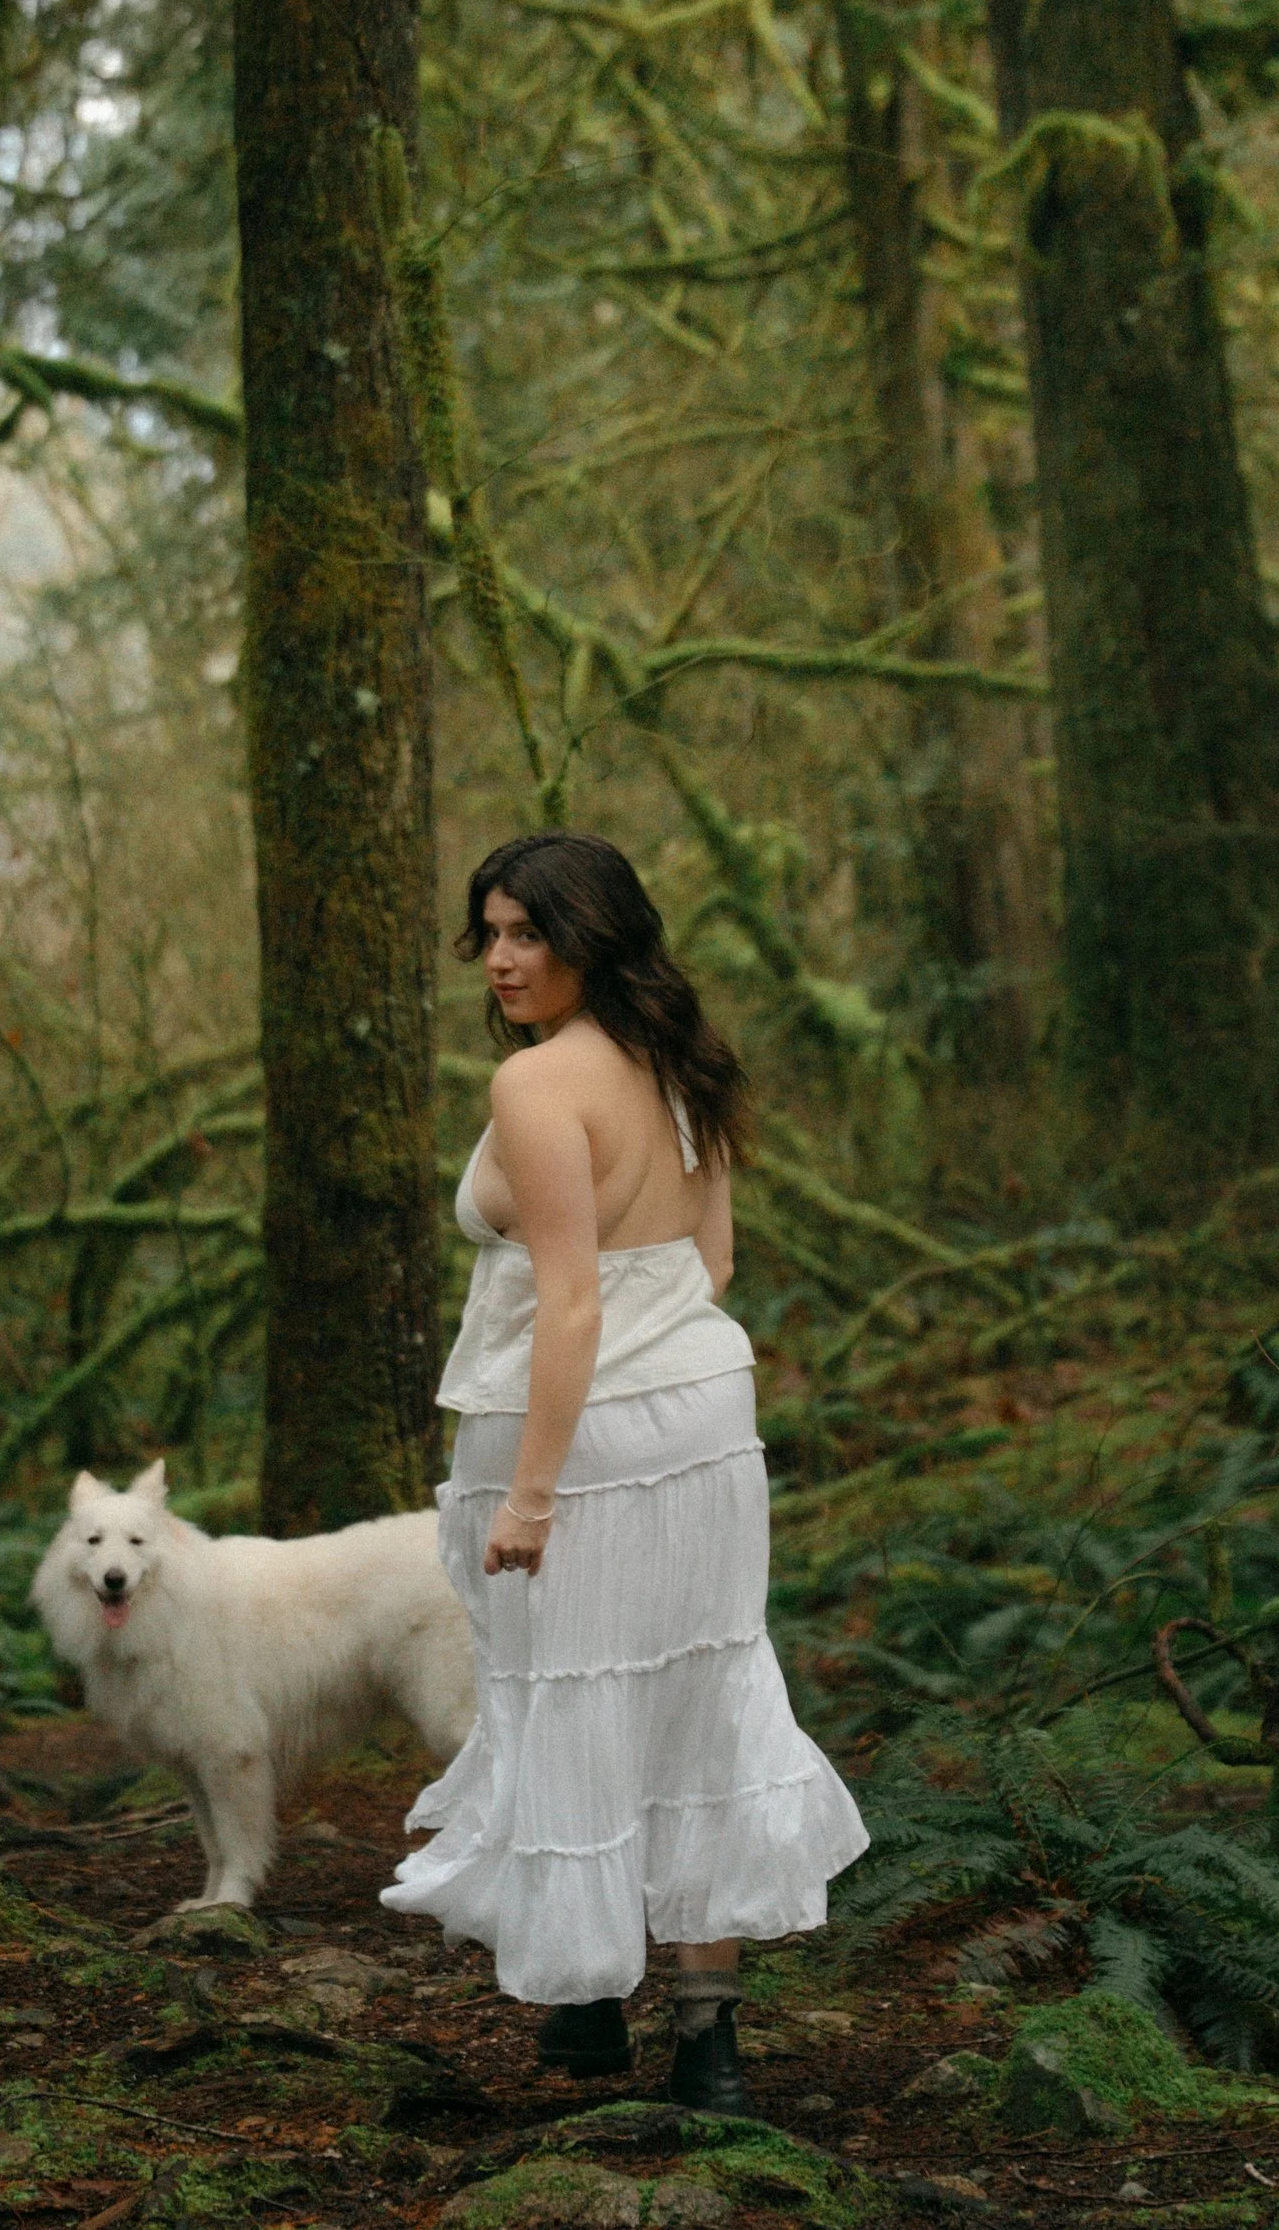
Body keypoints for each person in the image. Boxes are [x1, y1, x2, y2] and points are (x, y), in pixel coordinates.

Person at [381, 832, 867, 2113]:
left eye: (527, 933)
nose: (499, 959)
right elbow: (708, 1269)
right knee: (696, 1698)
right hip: (704, 1422)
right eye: (487, 933)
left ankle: (589, 2006)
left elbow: (571, 1305)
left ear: (593, 937)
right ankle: (702, 2038)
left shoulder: (541, 1090)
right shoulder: (684, 1064)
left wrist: (534, 1493)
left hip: (575, 1437)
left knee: (565, 1694)